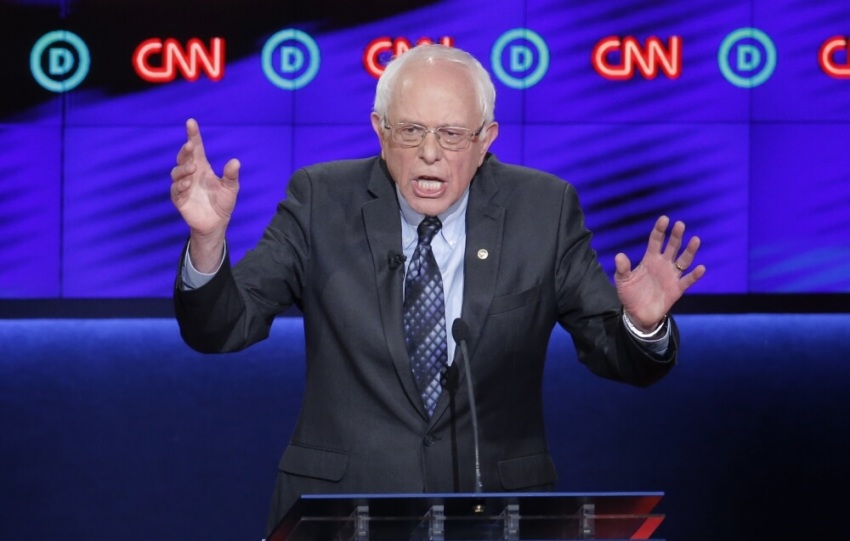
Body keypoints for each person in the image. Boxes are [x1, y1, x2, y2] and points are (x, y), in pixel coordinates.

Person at [171, 44, 705, 535]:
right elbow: (222, 328)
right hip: (340, 513)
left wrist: (644, 325)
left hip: (495, 514)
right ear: (380, 132)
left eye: (452, 134)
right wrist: (207, 242)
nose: (430, 152)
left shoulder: (542, 211)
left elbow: (620, 356)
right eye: (411, 131)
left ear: (486, 140)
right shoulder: (320, 201)